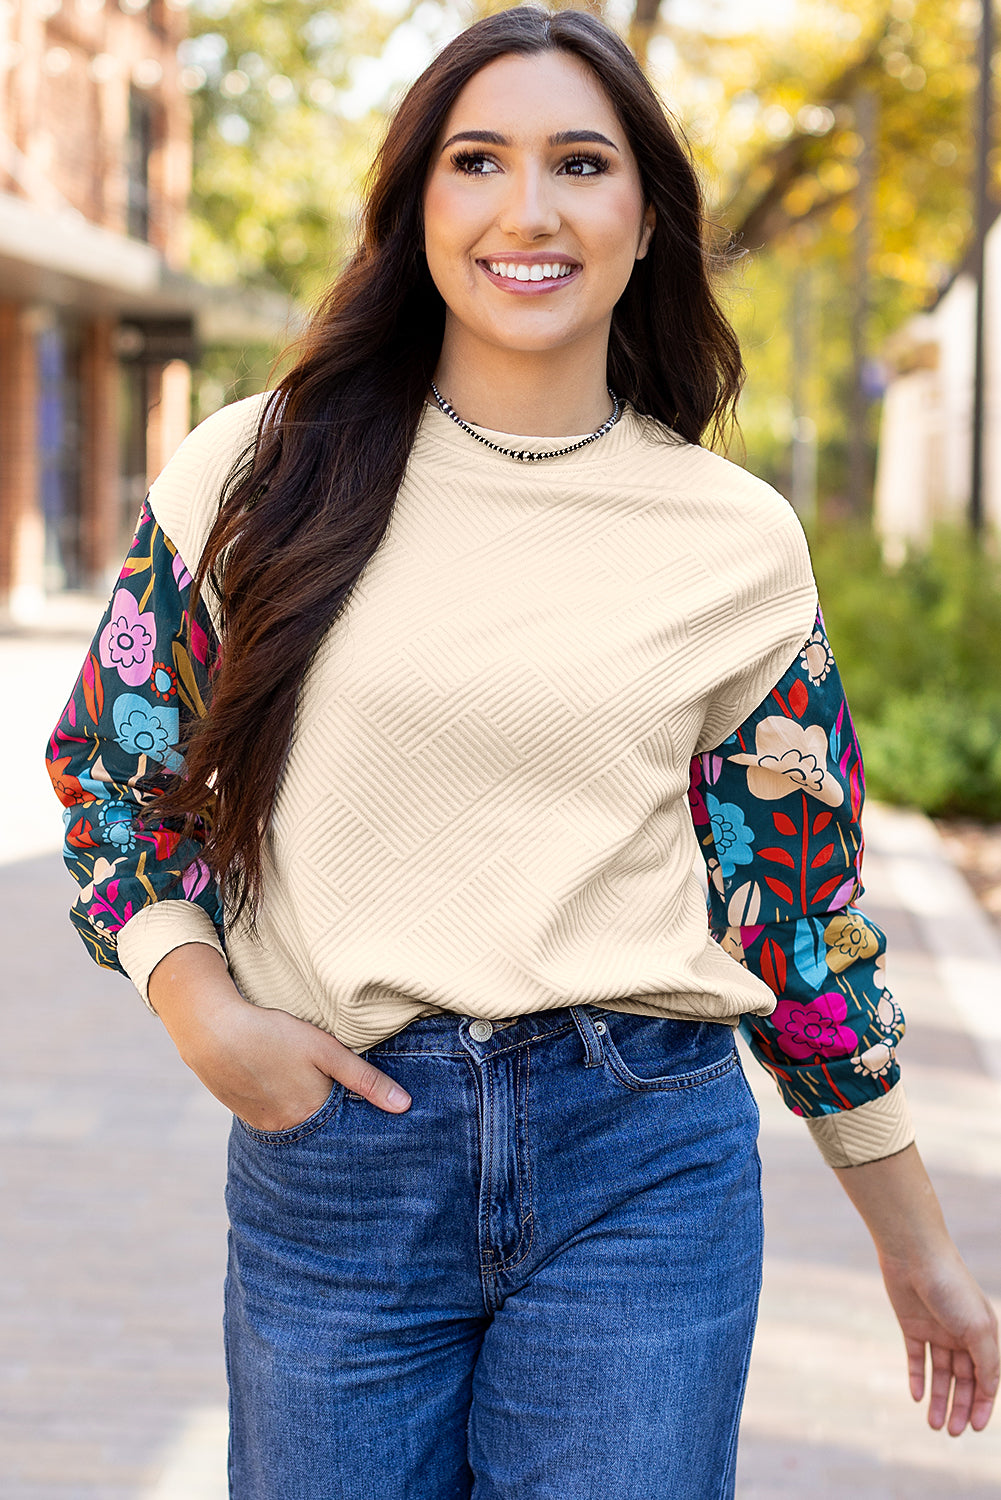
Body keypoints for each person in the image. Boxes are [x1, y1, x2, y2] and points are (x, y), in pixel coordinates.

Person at [46, 7, 997, 1497]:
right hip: (341, 1157)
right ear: (416, 206)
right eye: (477, 160)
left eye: (581, 163)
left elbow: (796, 910)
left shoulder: (734, 540)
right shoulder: (257, 469)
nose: (528, 209)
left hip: (642, 1161)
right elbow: (112, 768)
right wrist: (200, 1008)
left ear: (646, 217)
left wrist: (916, 1244)